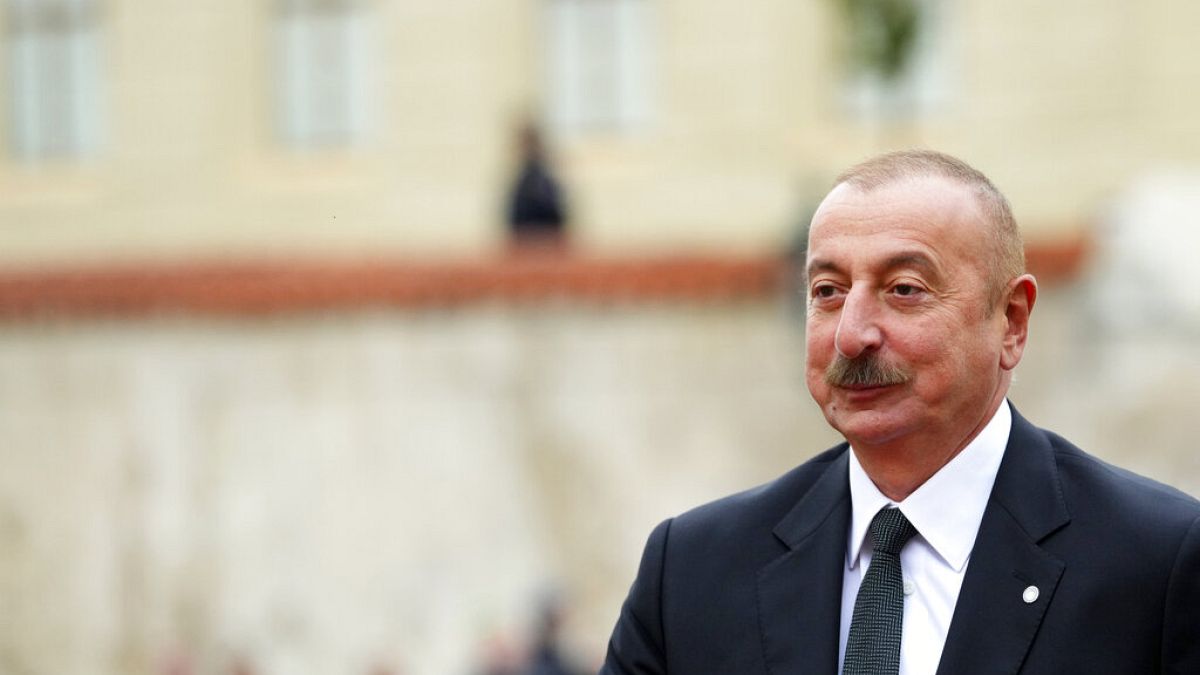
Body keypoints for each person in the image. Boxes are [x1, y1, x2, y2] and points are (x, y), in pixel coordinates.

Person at [599, 150, 1200, 674]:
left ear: (1012, 321)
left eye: (904, 289)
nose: (851, 335)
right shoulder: (693, 572)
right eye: (828, 292)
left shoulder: (1159, 563)